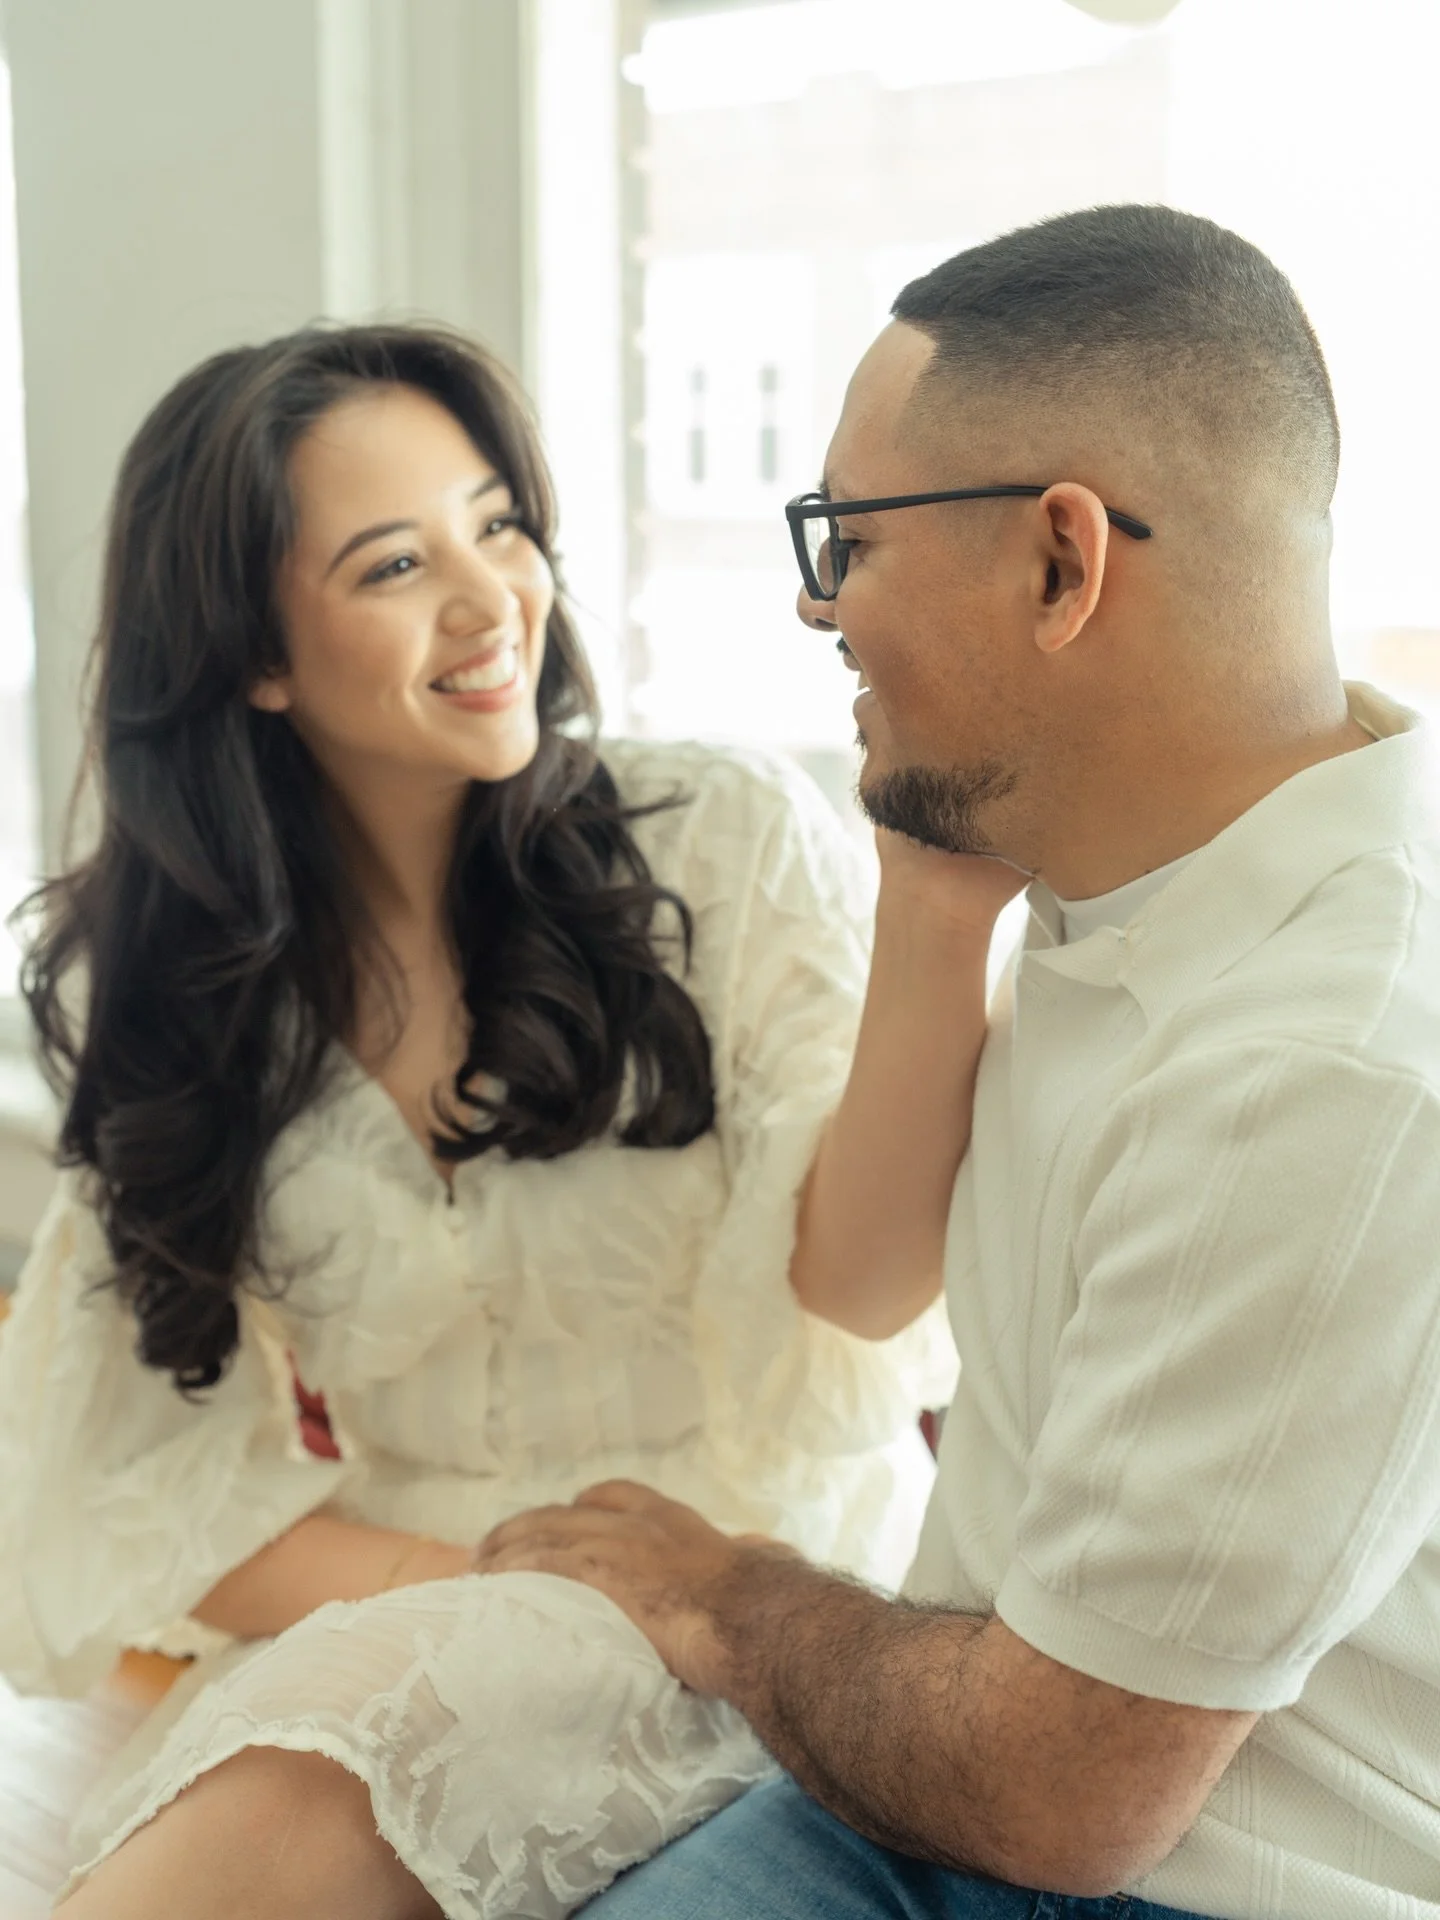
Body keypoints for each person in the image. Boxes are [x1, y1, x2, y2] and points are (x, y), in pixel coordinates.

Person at [478, 206, 1440, 1920]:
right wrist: (934, 892)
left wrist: (733, 1596)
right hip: (962, 1770)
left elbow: (1069, 1797)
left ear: (1063, 567)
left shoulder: (1332, 1068)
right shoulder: (1133, 862)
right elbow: (865, 1284)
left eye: (847, 539)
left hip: (1165, 1874)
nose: (812, 597)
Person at [0, 322, 960, 1918]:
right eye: (393, 564)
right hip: (411, 1622)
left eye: (497, 525)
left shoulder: (718, 844)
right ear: (255, 652)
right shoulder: (184, 991)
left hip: (768, 1591)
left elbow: (862, 1297)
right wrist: (507, 1591)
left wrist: (933, 909)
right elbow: (138, 1492)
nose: (489, 598)